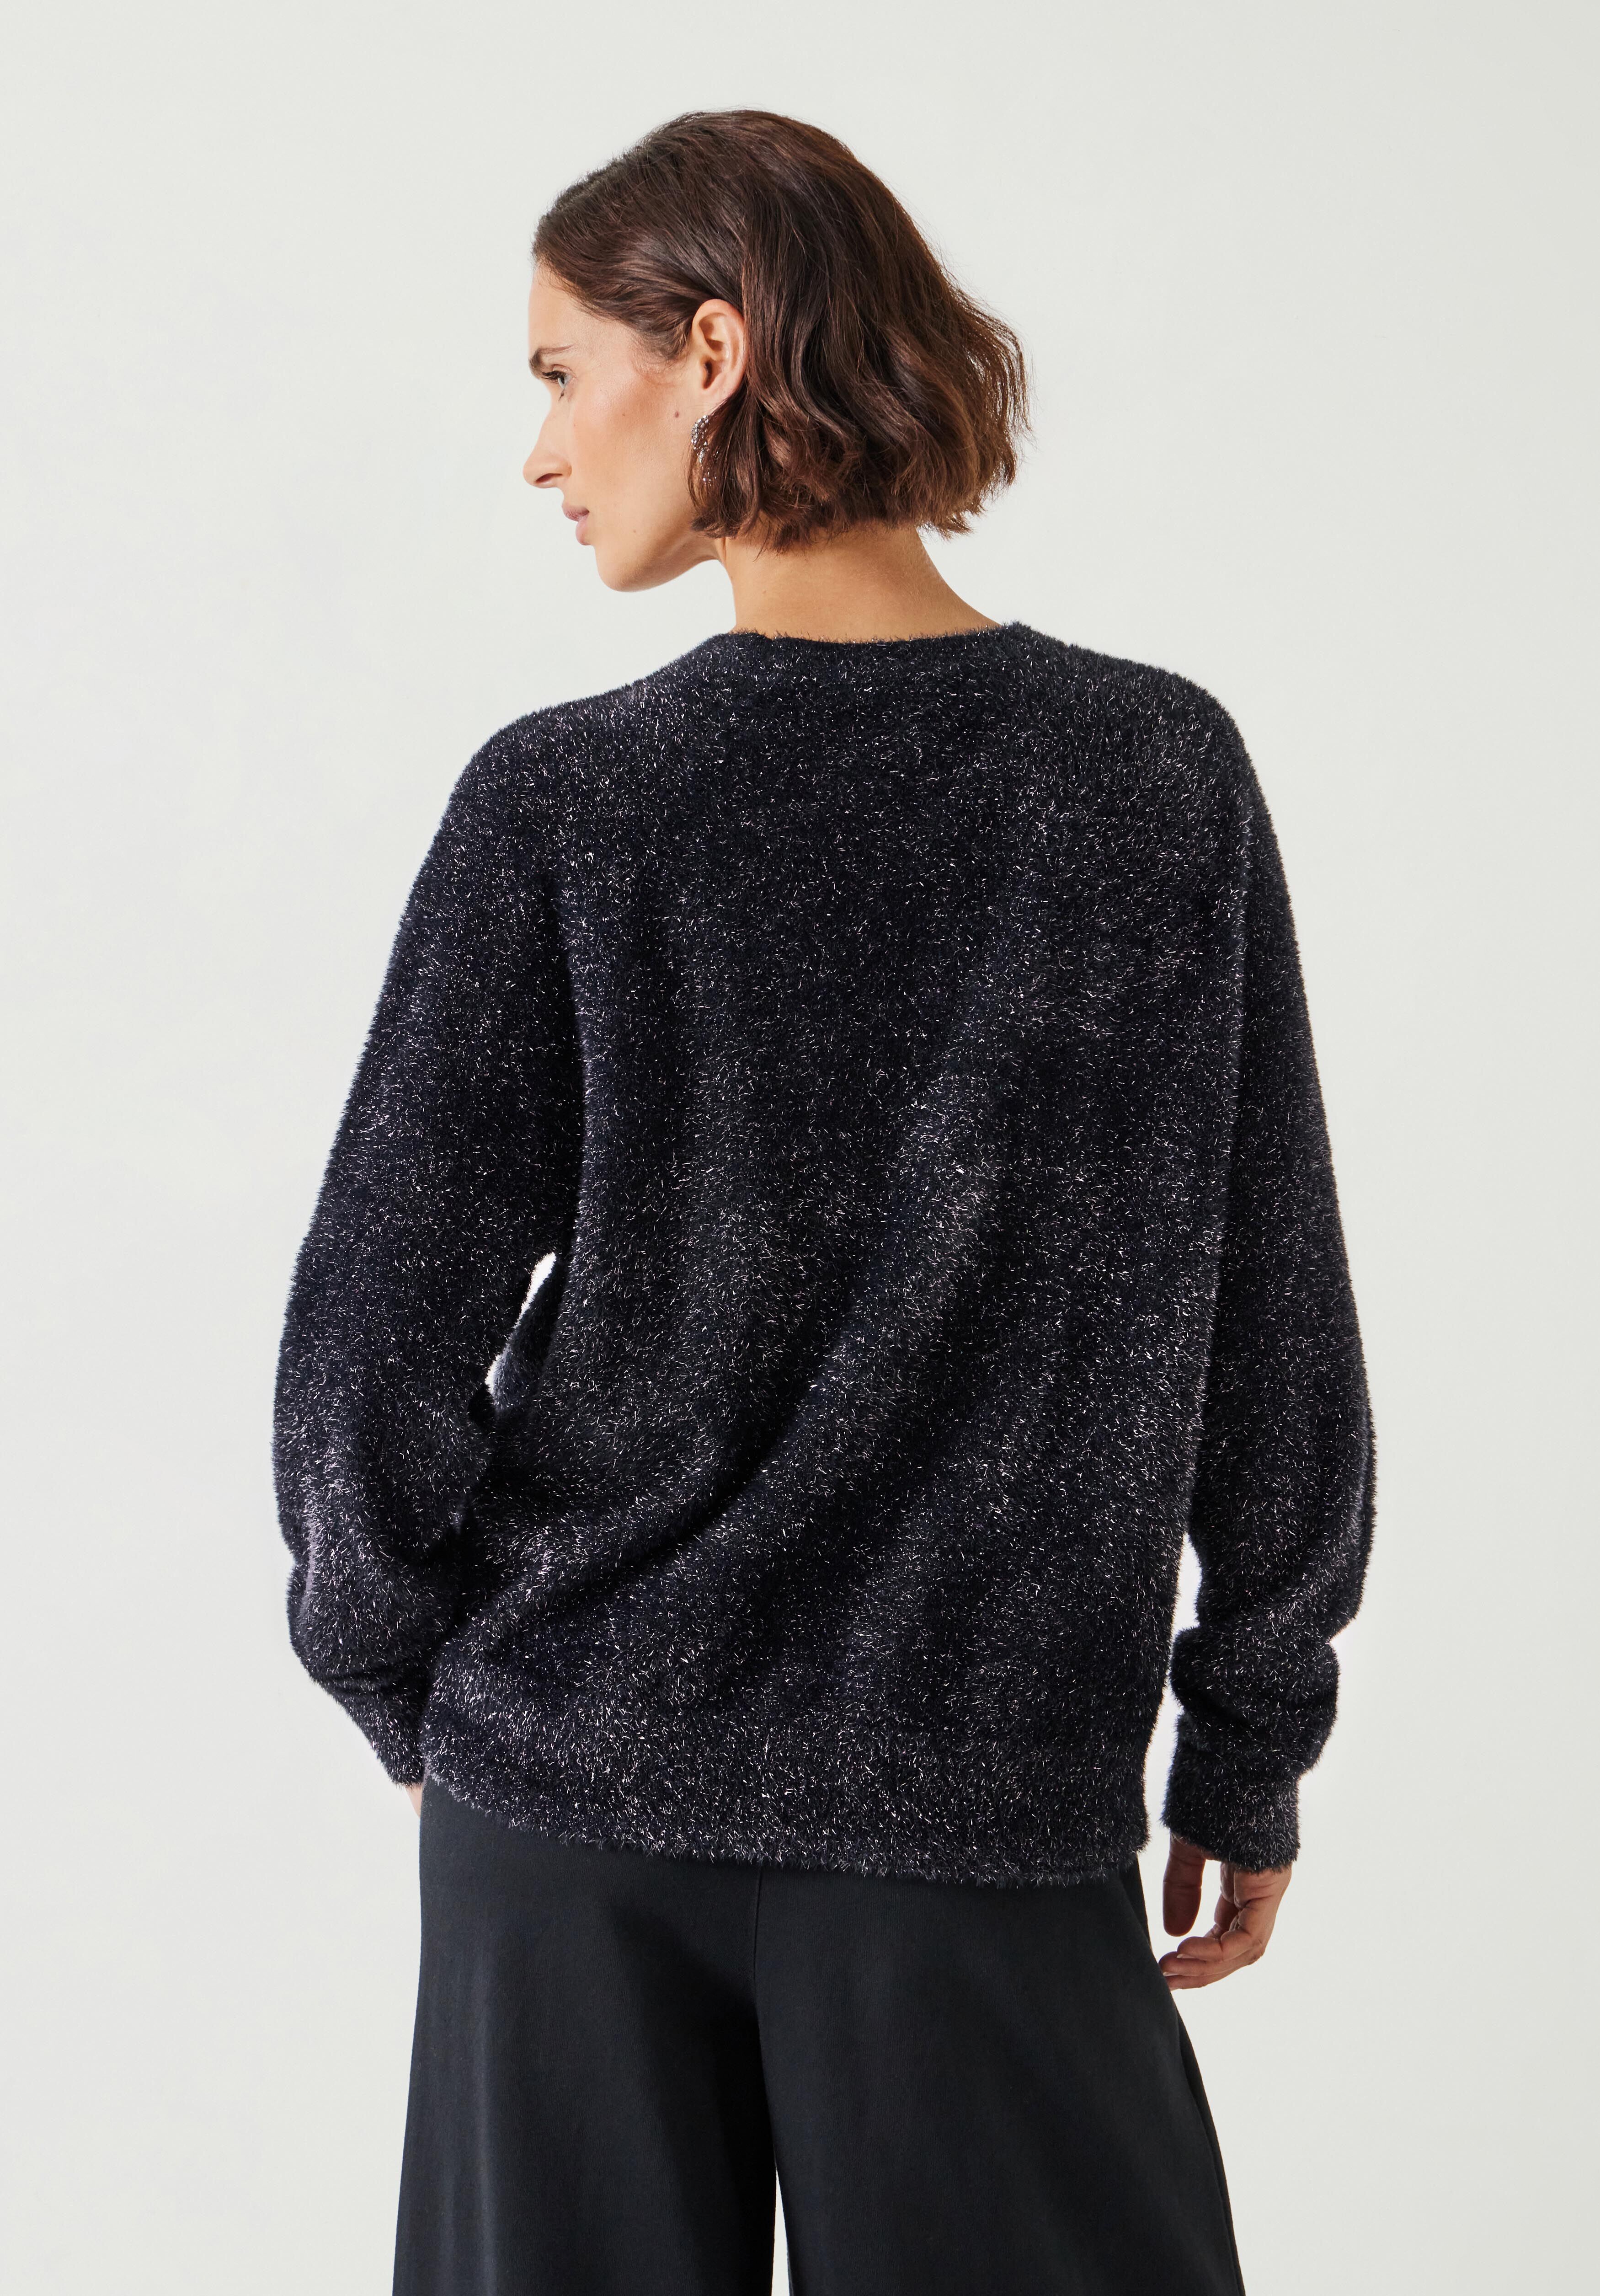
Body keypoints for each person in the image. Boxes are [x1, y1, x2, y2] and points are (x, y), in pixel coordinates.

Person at [272, 107, 1375, 2296]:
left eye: (556, 374)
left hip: (567, 1810)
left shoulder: (569, 801)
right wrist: (1246, 1737)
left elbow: (369, 1326)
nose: (537, 449)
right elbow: (1271, 1323)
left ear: (707, 348)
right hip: (977, 1810)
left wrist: (406, 1676)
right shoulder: (1145, 775)